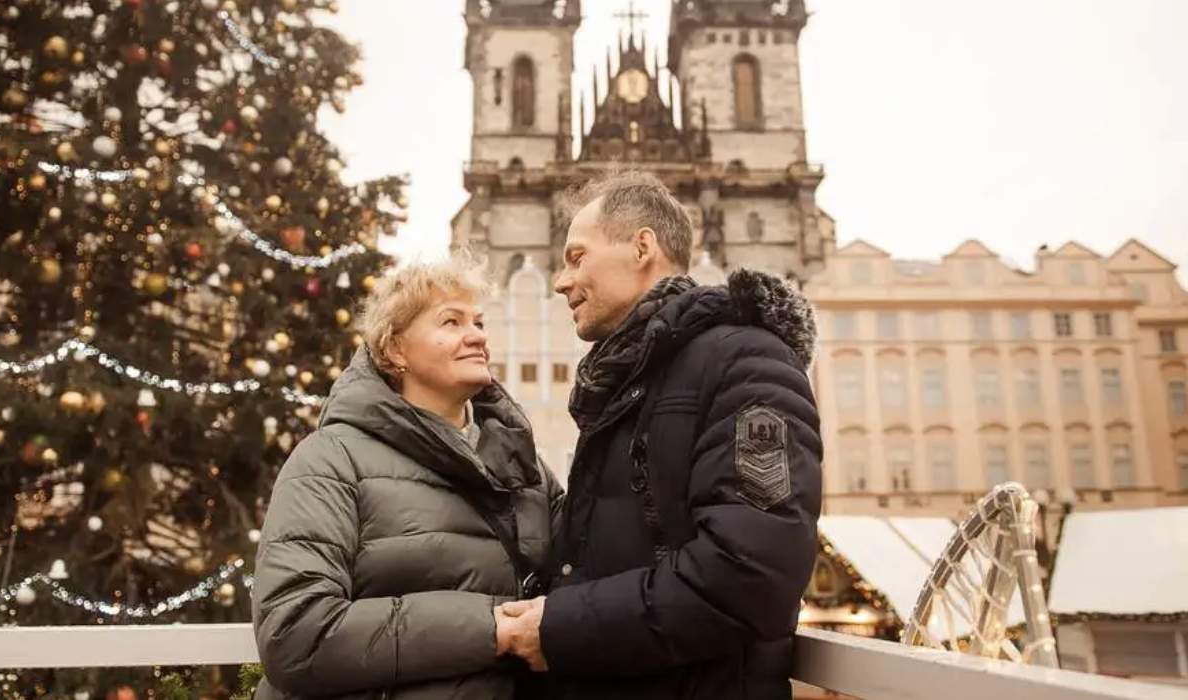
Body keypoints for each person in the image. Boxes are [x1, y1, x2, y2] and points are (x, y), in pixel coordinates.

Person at [497, 171, 823, 700]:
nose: (560, 281)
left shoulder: (748, 363)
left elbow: (750, 575)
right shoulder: (627, 379)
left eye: (576, 257)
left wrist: (557, 628)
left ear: (641, 247)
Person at [251, 255, 562, 700]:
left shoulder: (523, 466)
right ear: (396, 349)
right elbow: (297, 634)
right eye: (450, 322)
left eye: (478, 321)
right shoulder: (331, 461)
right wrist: (495, 628)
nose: (476, 335)